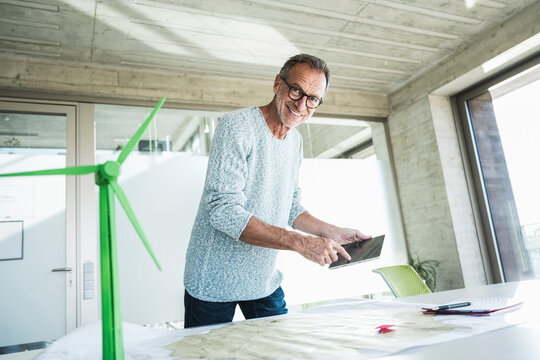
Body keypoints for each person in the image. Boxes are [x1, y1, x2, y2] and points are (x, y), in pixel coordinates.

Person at [183, 53, 370, 328]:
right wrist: (302, 243)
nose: (302, 104)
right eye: (296, 90)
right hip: (213, 279)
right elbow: (223, 212)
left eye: (313, 99)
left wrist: (332, 232)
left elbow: (291, 206)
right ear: (277, 84)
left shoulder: (294, 141)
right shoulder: (237, 127)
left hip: (262, 278)